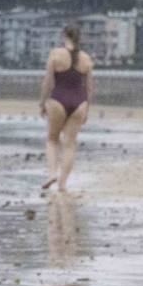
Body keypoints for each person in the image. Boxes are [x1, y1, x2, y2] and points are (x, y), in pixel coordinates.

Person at [39, 23, 94, 193]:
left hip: (58, 99)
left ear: (64, 36)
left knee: (52, 139)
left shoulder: (55, 54)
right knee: (69, 144)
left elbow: (48, 82)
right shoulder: (86, 58)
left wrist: (42, 102)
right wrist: (87, 109)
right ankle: (62, 184)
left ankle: (51, 174)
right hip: (80, 102)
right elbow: (89, 88)